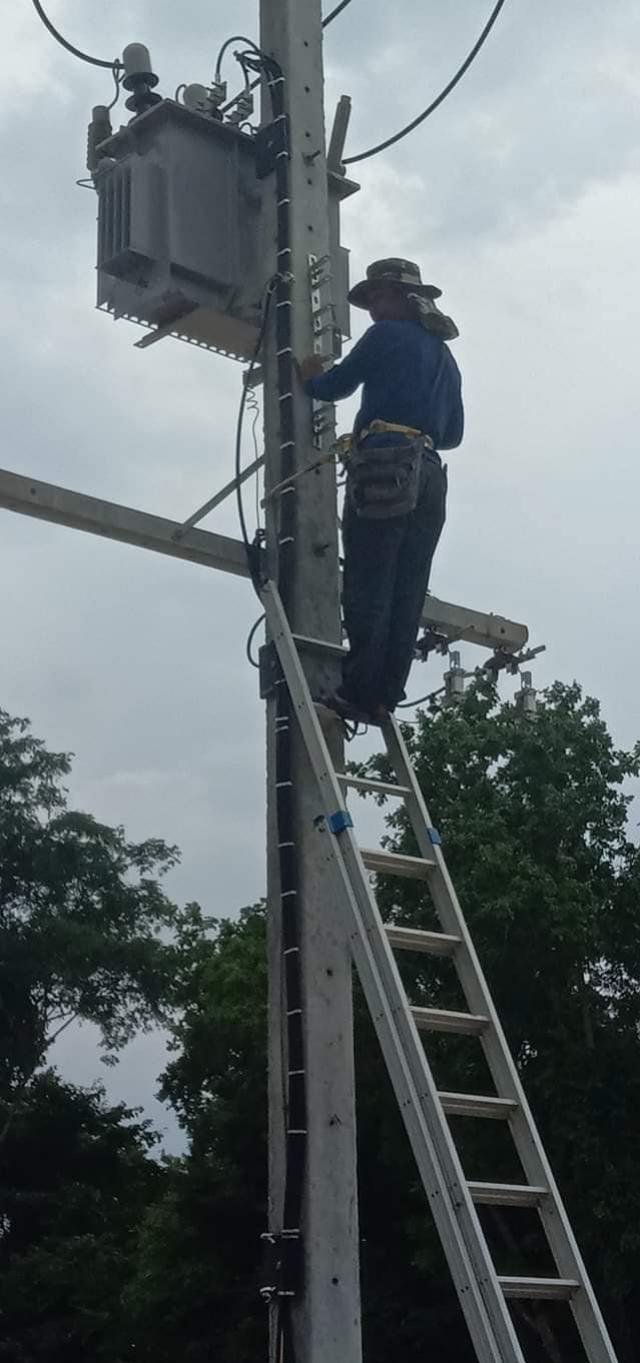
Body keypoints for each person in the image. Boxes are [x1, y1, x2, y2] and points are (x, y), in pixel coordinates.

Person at [298, 257, 464, 725]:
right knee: (407, 589)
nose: (372, 308)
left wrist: (311, 374)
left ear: (400, 298)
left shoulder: (386, 336)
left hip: (386, 466)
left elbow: (333, 386)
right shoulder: (444, 357)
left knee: (369, 583)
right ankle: (384, 695)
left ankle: (360, 689)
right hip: (430, 471)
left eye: (377, 298)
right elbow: (453, 434)